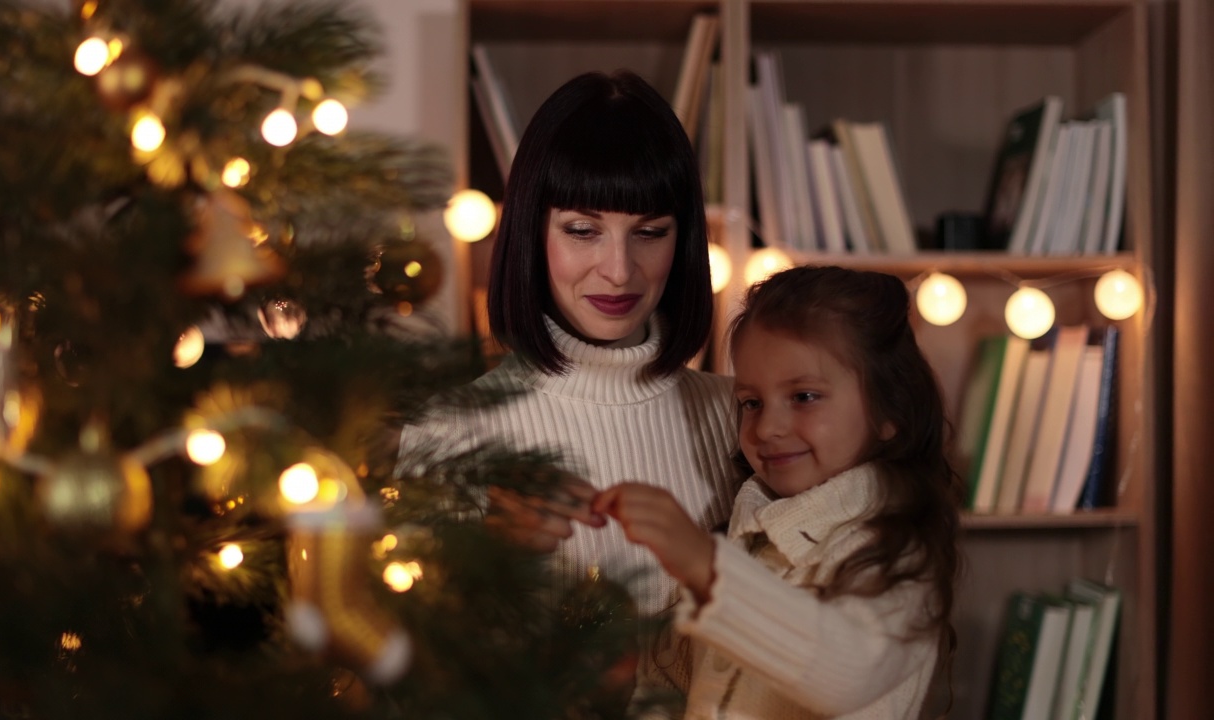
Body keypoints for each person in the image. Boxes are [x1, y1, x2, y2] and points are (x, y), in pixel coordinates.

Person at [397, 69, 743, 698]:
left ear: (684, 240)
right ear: (533, 232)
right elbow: (415, 682)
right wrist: (495, 560)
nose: (619, 270)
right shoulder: (450, 429)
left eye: (649, 232)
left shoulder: (740, 418)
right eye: (582, 230)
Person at [594, 265, 963, 719]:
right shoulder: (746, 535)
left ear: (892, 409)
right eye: (751, 403)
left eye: (804, 396)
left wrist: (706, 567)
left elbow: (844, 673)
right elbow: (674, 688)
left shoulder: (897, 548)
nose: (768, 427)